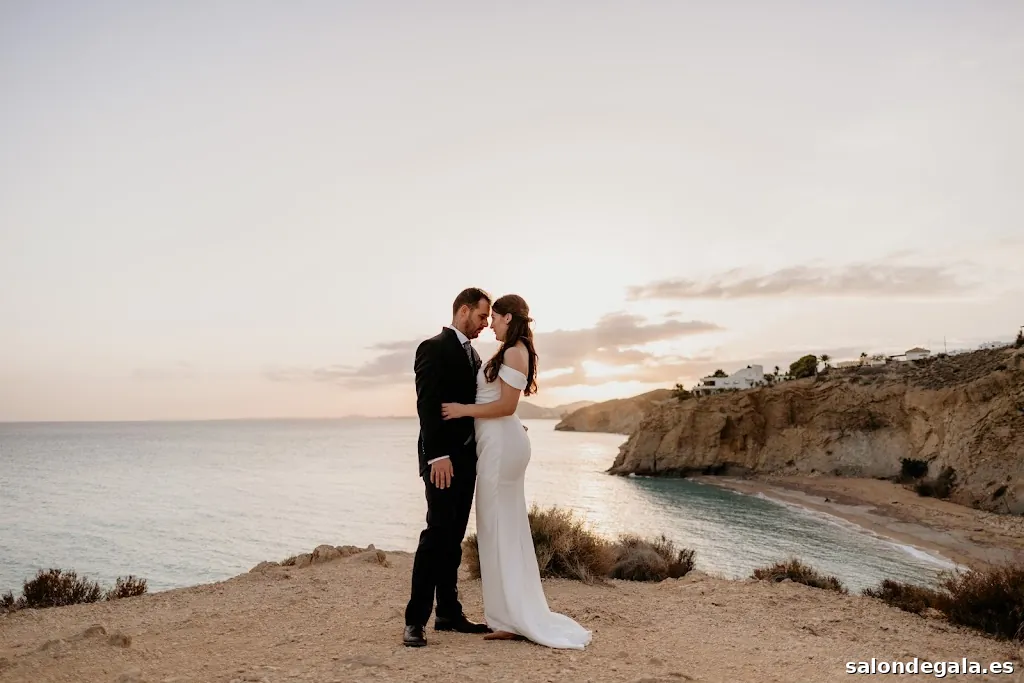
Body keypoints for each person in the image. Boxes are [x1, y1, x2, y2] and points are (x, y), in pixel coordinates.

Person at [441, 294, 592, 650]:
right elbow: (506, 404)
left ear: (508, 317)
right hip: (498, 444)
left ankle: (513, 618)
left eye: (493, 317)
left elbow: (507, 404)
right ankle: (509, 616)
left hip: (501, 449)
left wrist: (462, 410)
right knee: (501, 529)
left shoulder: (514, 351)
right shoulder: (514, 349)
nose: (489, 323)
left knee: (499, 530)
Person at [403, 287, 494, 647]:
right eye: (482, 316)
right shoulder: (433, 347)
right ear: (463, 311)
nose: (485, 324)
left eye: (489, 319)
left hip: (467, 460)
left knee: (453, 539)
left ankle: (448, 613)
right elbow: (427, 405)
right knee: (436, 536)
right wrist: (436, 456)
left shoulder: (473, 354)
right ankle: (415, 621)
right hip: (442, 461)